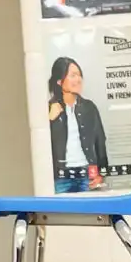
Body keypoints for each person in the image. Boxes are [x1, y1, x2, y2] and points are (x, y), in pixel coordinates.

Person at [48, 56, 108, 192]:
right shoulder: (49, 109)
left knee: (89, 212)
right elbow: (39, 147)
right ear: (59, 80)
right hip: (59, 178)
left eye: (80, 75)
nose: (78, 80)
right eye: (73, 75)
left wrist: (101, 173)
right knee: (61, 213)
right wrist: (50, 118)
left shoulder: (89, 107)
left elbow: (100, 141)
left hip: (87, 175)